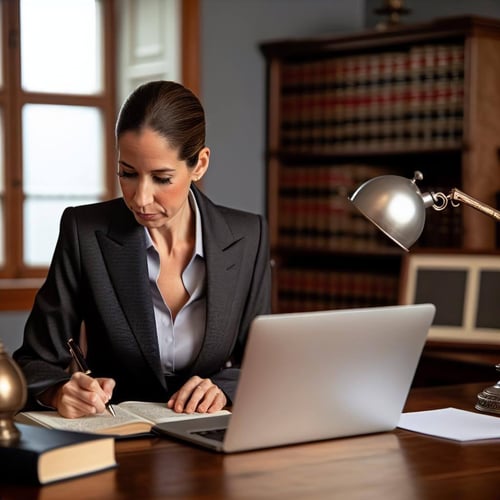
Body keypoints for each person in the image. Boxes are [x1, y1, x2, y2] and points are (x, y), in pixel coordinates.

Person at [13, 80, 272, 418]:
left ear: (200, 165)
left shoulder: (247, 236)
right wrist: (59, 390)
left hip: (211, 435)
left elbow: (262, 361)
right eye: (128, 173)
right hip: (118, 437)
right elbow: (32, 361)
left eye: (162, 178)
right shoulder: (85, 232)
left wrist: (224, 387)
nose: (140, 198)